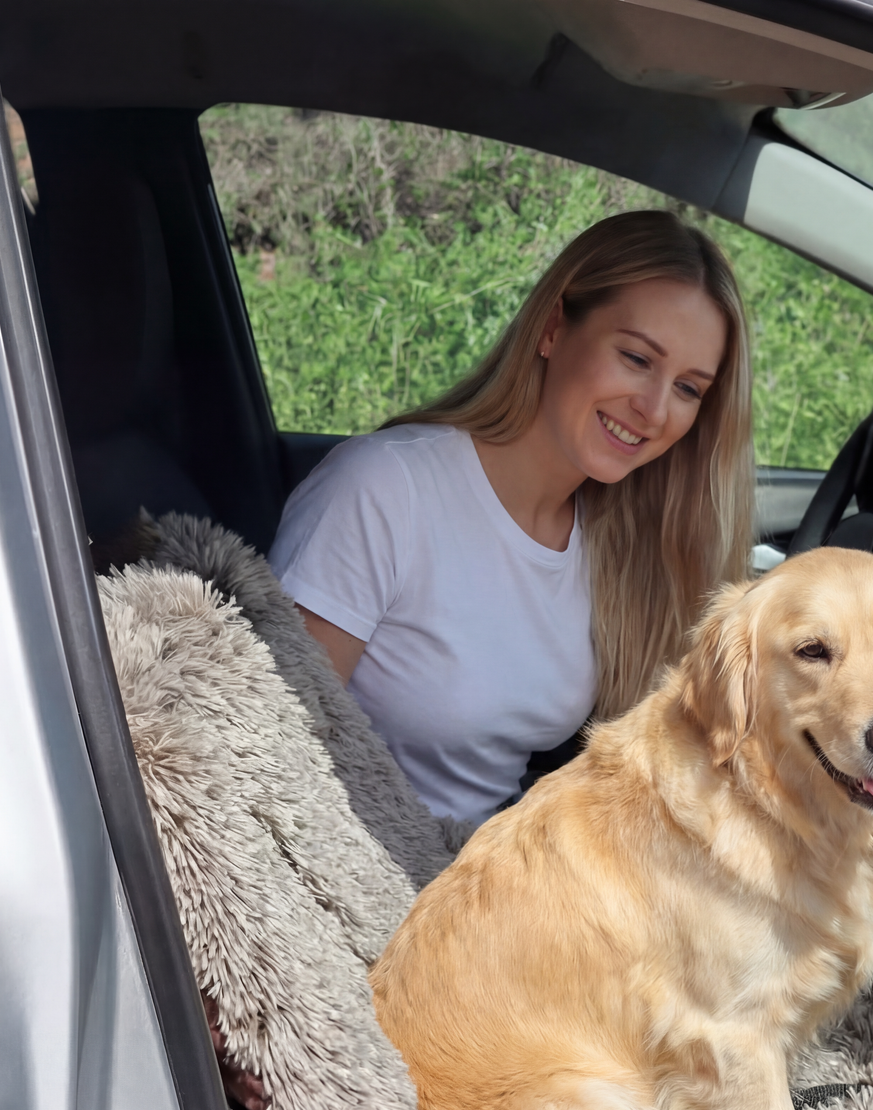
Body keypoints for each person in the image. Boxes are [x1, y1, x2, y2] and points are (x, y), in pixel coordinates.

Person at [268, 210, 755, 823]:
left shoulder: (616, 542)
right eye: (636, 358)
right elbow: (272, 758)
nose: (655, 410)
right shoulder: (385, 489)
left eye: (688, 389)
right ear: (553, 327)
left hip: (484, 874)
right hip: (356, 874)